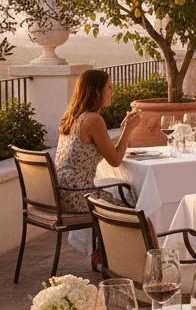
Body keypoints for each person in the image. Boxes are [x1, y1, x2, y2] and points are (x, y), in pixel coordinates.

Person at [54, 69, 142, 212]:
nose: (112, 92)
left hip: (64, 195)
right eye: (109, 87)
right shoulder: (93, 120)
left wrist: (125, 129)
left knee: (124, 192)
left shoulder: (72, 118)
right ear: (97, 91)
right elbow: (115, 161)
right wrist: (127, 130)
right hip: (80, 198)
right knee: (137, 202)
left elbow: (106, 151)